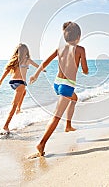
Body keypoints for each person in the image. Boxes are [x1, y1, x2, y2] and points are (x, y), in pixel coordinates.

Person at [29, 21, 88, 157]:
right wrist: (84, 68)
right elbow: (85, 70)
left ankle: (68, 125)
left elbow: (44, 63)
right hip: (67, 85)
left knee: (74, 98)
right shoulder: (80, 50)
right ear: (78, 36)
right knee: (56, 116)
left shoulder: (59, 49)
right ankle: (42, 143)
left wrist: (35, 74)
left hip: (57, 83)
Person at [0, 43, 41, 132]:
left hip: (12, 82)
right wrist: (42, 69)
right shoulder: (27, 60)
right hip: (21, 83)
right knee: (14, 105)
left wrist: (0, 80)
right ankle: (6, 125)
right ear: (26, 51)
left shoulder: (14, 60)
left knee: (24, 92)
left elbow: (7, 71)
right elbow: (38, 66)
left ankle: (19, 109)